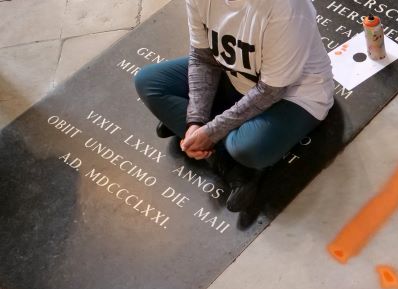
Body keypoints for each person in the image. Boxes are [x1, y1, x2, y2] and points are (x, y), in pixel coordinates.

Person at [134, 0, 334, 212]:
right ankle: (226, 161)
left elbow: (271, 91)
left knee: (245, 148)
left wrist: (211, 131)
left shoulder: (286, 8)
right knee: (149, 81)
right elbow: (203, 59)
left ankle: (218, 147)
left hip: (294, 95)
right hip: (235, 75)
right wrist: (195, 119)